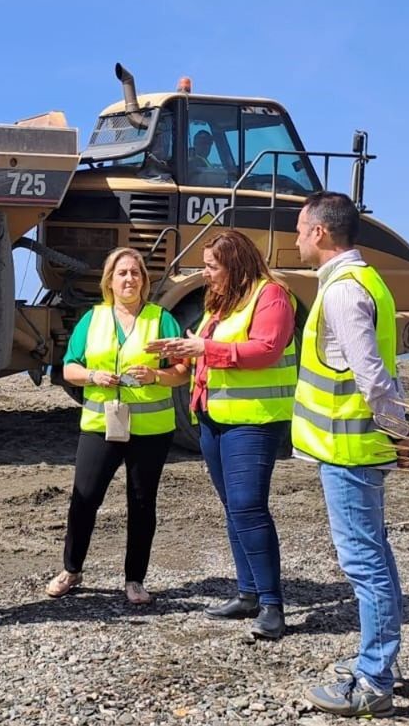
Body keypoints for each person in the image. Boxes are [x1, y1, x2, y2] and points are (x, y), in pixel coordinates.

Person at [291, 191, 409, 717]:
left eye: (300, 229)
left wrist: (400, 432)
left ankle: (374, 679)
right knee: (374, 555)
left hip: (350, 448)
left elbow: (371, 376)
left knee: (364, 561)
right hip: (353, 446)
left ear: (320, 232)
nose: (296, 239)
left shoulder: (342, 291)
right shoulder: (365, 280)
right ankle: (378, 661)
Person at [148, 231, 296, 640]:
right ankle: (248, 593)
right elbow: (208, 350)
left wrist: (205, 350)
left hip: (254, 420)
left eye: (212, 266)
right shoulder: (223, 302)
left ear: (236, 264)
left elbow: (266, 349)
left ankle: (272, 605)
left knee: (248, 507)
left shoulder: (271, 296)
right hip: (213, 418)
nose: (205, 274)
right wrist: (181, 351)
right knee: (234, 507)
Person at [45, 248, 190, 605]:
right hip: (100, 425)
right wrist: (92, 375)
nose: (129, 279)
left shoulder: (161, 319)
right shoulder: (91, 319)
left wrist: (156, 375)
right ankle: (71, 569)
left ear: (144, 280)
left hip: (151, 429)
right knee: (85, 498)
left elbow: (182, 371)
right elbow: (69, 368)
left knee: (141, 503)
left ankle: (135, 580)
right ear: (109, 281)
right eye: (122, 273)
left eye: (135, 273)